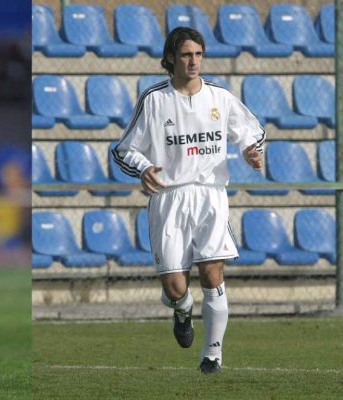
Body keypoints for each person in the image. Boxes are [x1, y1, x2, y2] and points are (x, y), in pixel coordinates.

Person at [112, 27, 264, 374]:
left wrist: (252, 152)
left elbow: (252, 134)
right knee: (175, 285)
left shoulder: (220, 98)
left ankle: (212, 354)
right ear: (170, 59)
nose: (193, 61)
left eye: (198, 54)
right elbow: (124, 150)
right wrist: (144, 167)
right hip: (169, 197)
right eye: (186, 55)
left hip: (210, 194)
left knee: (213, 274)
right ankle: (181, 309)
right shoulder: (154, 100)